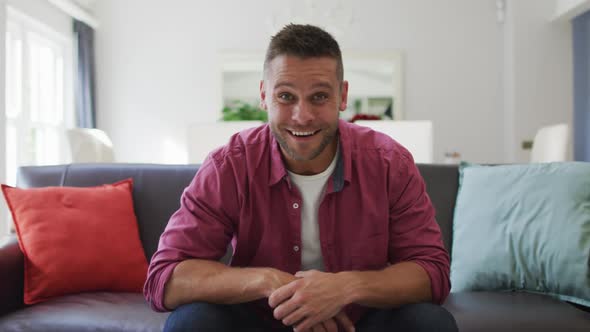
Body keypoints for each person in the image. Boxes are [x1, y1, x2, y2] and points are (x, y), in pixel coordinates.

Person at [144, 24, 458, 332]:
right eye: (286, 96)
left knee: (431, 323)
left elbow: (432, 271)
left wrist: (343, 289)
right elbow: (164, 278)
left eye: (319, 97)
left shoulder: (390, 163)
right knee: (191, 323)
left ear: (342, 95)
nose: (302, 115)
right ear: (264, 95)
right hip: (261, 318)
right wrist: (273, 282)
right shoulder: (229, 165)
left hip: (357, 320)